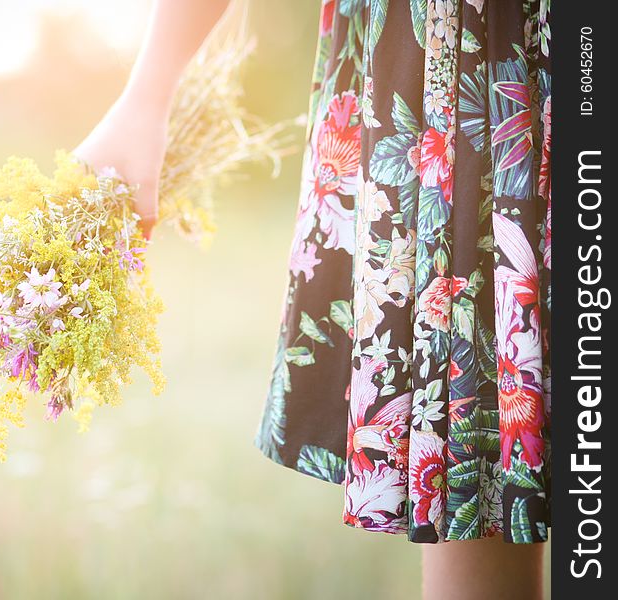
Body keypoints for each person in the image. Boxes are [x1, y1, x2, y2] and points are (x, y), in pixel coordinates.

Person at [75, 1, 552, 599]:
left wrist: (147, 93)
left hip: (475, 66)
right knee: (479, 493)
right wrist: (145, 97)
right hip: (446, 70)